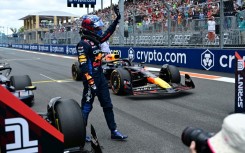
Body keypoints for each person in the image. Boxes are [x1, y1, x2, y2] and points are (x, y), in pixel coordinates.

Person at [76, 6, 128, 141]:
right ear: (90, 29)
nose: (100, 30)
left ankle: (114, 131)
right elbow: (83, 67)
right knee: (86, 107)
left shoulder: (97, 40)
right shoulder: (82, 44)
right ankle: (81, 133)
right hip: (90, 81)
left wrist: (117, 20)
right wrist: (91, 83)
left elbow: (108, 33)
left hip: (101, 79)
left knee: (108, 105)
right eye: (97, 28)